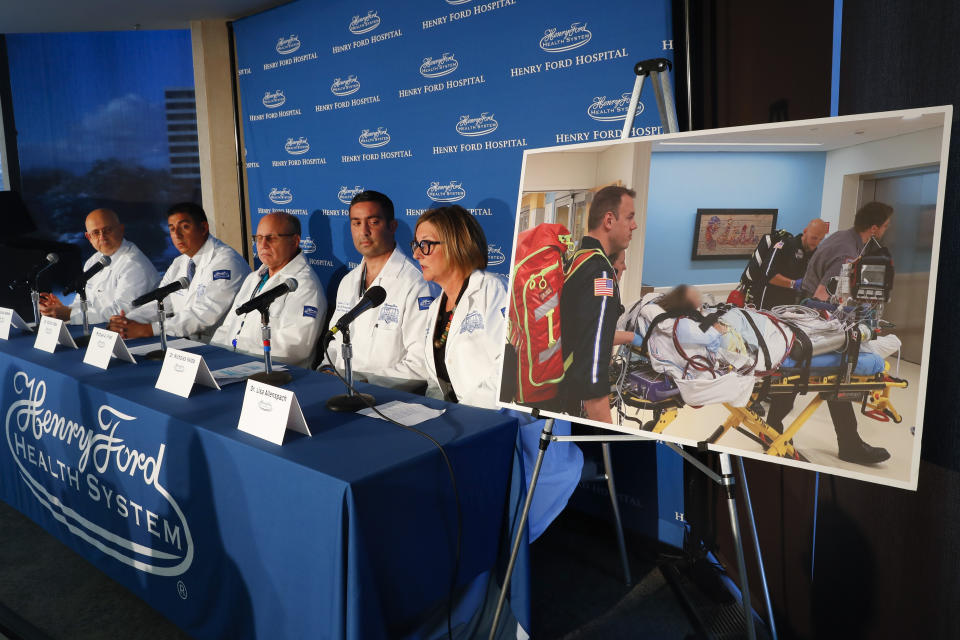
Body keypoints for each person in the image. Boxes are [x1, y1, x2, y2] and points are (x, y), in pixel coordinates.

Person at [323, 190, 438, 387]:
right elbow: (333, 342)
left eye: (373, 222)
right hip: (341, 389)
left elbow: (420, 363)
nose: (364, 231)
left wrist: (366, 382)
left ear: (392, 226)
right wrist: (327, 369)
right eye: (356, 223)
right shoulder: (348, 281)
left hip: (389, 399)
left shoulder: (415, 282)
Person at [109, 202, 250, 341]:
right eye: (172, 229)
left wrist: (149, 330)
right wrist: (127, 322)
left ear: (203, 228)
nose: (177, 235)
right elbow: (162, 302)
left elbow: (204, 314)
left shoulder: (226, 262)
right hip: (187, 343)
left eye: (185, 227)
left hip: (219, 346)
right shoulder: (180, 263)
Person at [412, 205, 507, 409]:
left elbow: (510, 370)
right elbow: (436, 383)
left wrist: (465, 415)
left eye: (426, 245)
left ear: (457, 244)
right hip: (455, 424)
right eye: (416, 245)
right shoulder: (436, 307)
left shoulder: (492, 290)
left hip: (493, 422)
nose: (417, 255)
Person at [559, 185, 637, 423]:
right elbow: (593, 359)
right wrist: (607, 436)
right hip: (571, 402)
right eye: (630, 217)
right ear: (609, 220)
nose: (634, 225)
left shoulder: (577, 258)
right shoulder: (600, 273)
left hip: (557, 386)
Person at [211, 213, 325, 369]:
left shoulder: (305, 285)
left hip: (278, 376)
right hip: (235, 365)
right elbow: (228, 327)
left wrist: (237, 353)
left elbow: (295, 347)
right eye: (258, 238)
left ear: (295, 241)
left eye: (272, 238)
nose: (263, 245)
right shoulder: (253, 278)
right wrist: (214, 356)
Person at [38, 208, 159, 324]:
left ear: (121, 229)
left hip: (137, 337)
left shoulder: (134, 264)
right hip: (103, 331)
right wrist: (60, 309)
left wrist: (69, 314)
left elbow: (122, 312)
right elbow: (84, 302)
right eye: (95, 233)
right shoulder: (93, 261)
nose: (102, 237)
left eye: (107, 230)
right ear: (89, 237)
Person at [801, 202, 893, 301]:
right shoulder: (847, 254)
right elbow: (822, 296)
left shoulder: (842, 236)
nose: (886, 229)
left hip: (808, 295)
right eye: (885, 226)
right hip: (813, 304)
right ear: (874, 229)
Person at [754, 219, 829, 309]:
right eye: (814, 238)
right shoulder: (785, 244)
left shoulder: (815, 253)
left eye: (820, 239)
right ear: (805, 231)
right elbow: (768, 275)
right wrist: (794, 284)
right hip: (769, 301)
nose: (816, 242)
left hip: (792, 304)